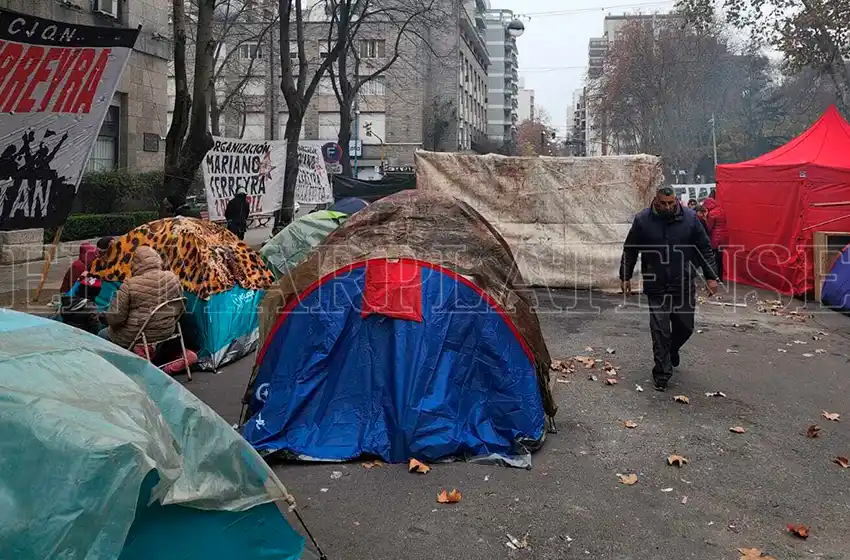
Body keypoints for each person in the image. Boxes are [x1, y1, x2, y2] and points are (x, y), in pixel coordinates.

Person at [619, 186, 719, 392]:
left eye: (671, 203)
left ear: (675, 201)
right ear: (655, 200)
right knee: (660, 330)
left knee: (685, 327)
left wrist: (711, 277)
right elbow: (630, 250)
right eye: (663, 203)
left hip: (682, 283)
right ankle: (662, 373)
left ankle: (673, 349)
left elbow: (704, 249)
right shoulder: (642, 220)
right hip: (655, 285)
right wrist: (625, 276)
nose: (667, 207)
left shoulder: (691, 220)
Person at [100, 246, 183, 348]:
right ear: (157, 259)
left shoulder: (129, 285)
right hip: (166, 332)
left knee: (102, 334)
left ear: (135, 264)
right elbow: (180, 306)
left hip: (137, 337)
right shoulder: (173, 278)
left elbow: (115, 319)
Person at [701, 196, 729, 282]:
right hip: (723, 238)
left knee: (712, 259)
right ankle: (720, 277)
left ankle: (713, 277)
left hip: (715, 238)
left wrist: (705, 219)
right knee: (719, 259)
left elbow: (709, 227)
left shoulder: (712, 213)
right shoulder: (721, 211)